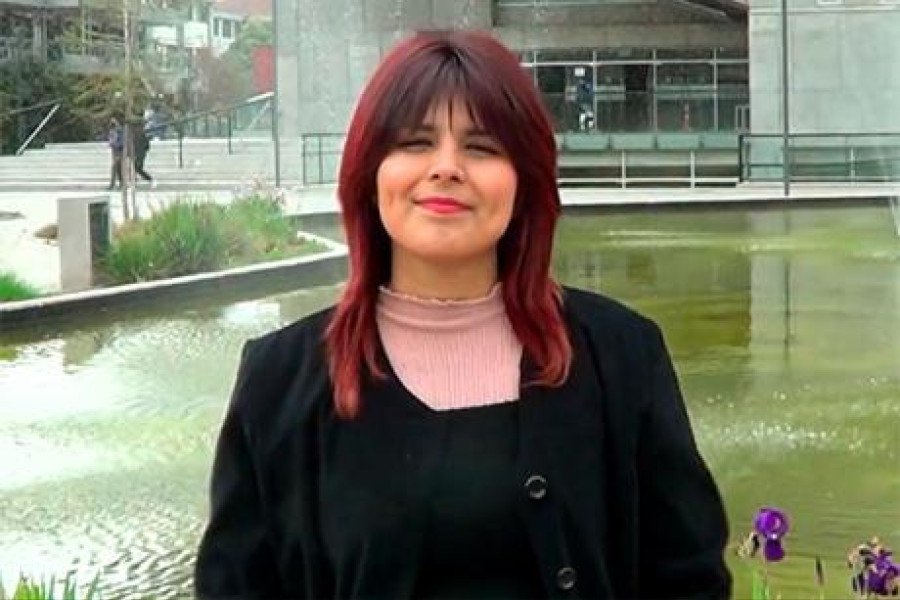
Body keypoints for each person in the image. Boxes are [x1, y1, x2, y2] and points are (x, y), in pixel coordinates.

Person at [194, 30, 731, 600]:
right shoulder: (279, 382)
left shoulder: (622, 356)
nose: (447, 168)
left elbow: (689, 580)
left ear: (524, 181)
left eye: (481, 147)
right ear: (370, 173)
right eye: (415, 142)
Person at [106, 117, 123, 190]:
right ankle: (114, 184)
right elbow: (111, 140)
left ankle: (117, 184)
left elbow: (121, 141)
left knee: (117, 168)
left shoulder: (120, 131)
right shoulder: (112, 130)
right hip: (114, 150)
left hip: (119, 150)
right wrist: (111, 144)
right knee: (116, 168)